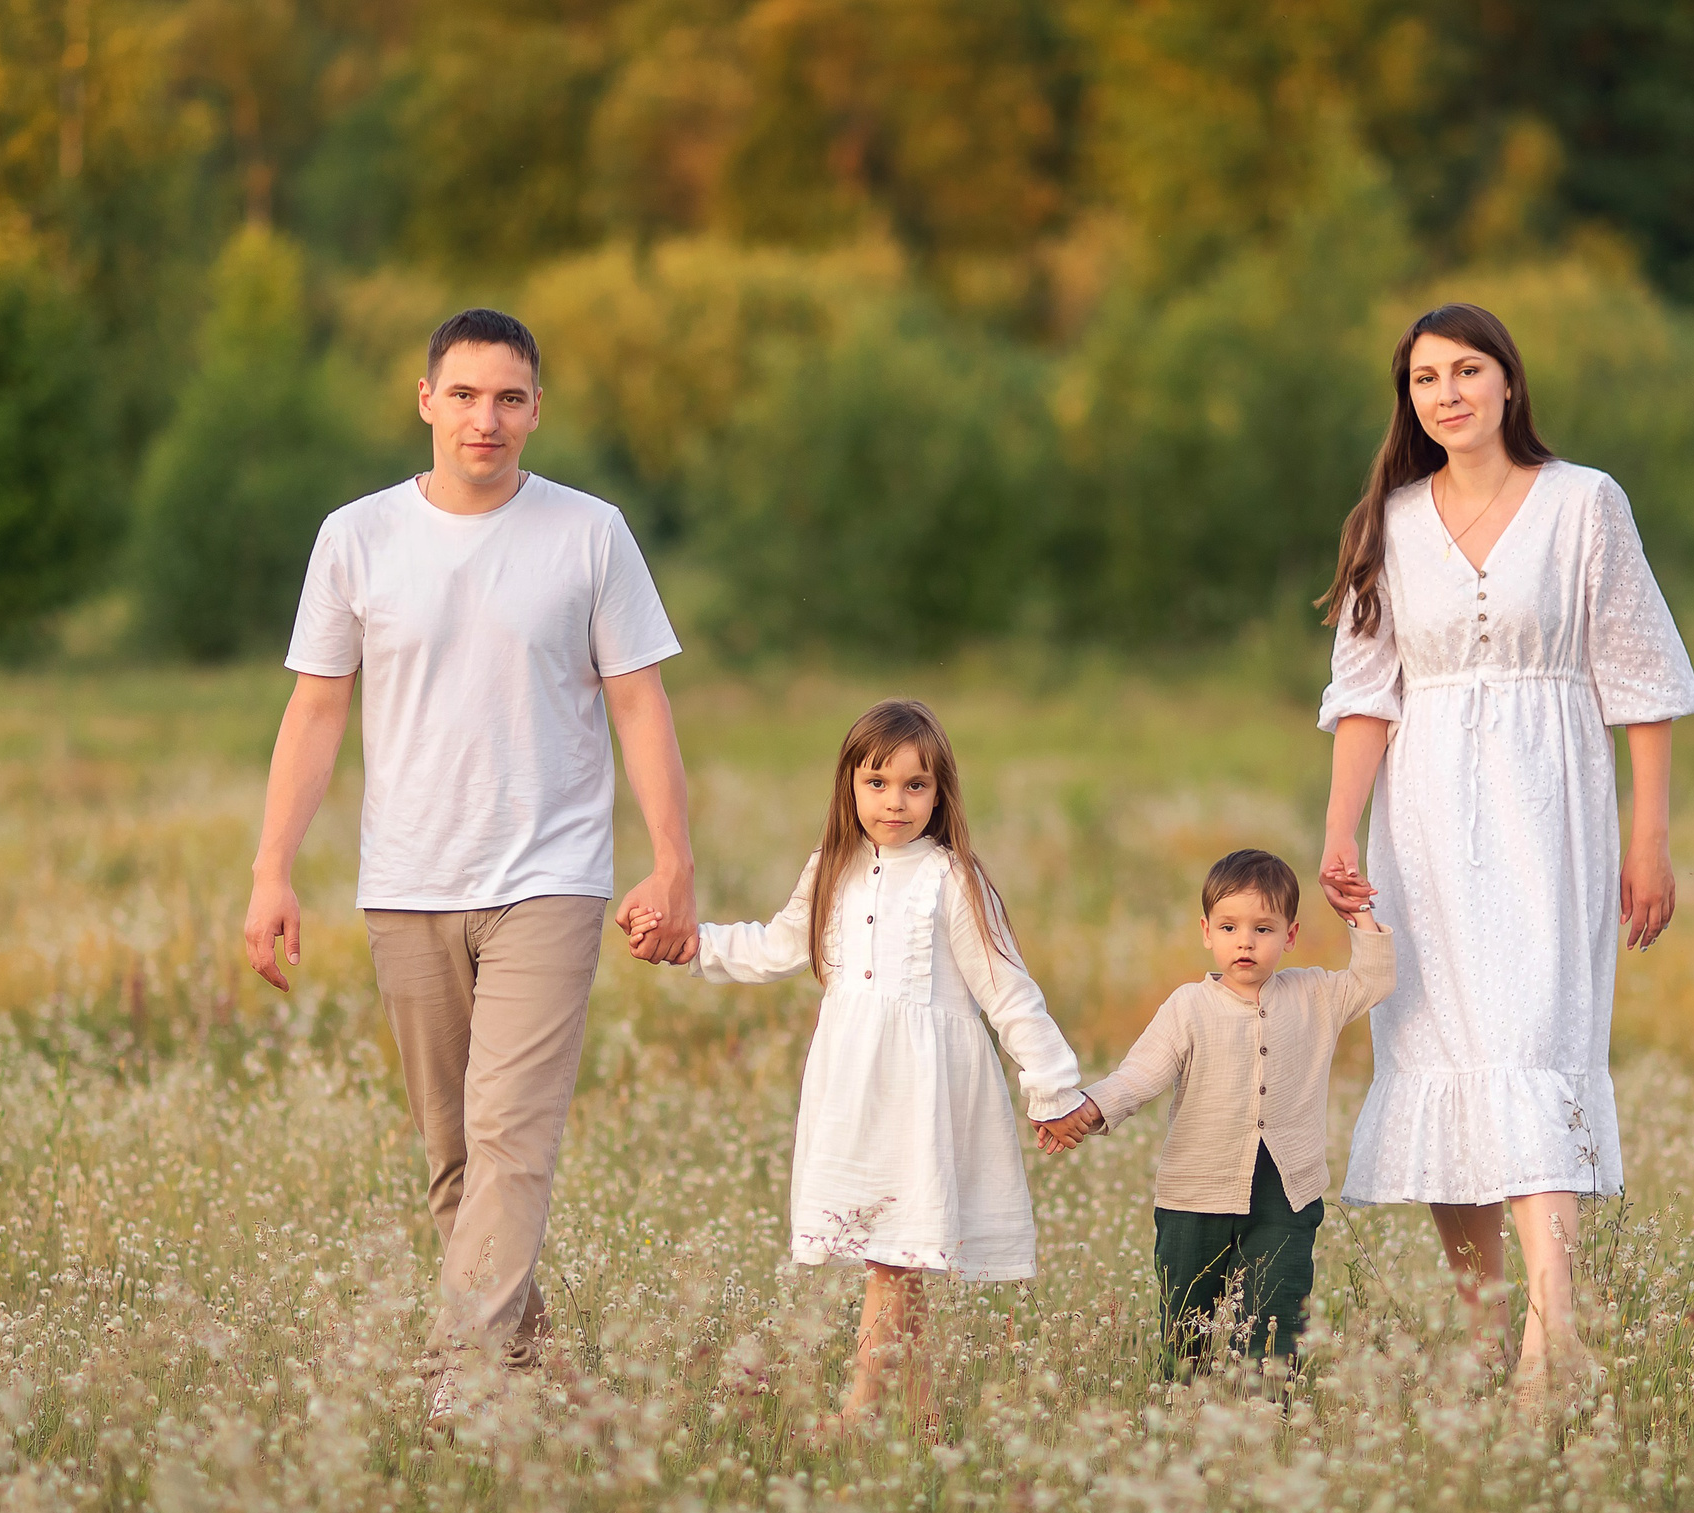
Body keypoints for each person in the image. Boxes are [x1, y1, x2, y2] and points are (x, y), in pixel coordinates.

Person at [241, 308, 697, 1427]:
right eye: (465, 395)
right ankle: (545, 1385)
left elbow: (639, 699)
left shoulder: (590, 533)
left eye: (508, 398)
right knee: (455, 1159)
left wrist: (672, 859)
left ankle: (457, 1386)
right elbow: (314, 708)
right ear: (425, 399)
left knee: (507, 1136)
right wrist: (271, 872)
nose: (485, 418)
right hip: (406, 883)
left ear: (537, 409)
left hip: (551, 875)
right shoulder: (356, 536)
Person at [1314, 301, 1694, 1415]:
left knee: (1536, 1041)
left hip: (1550, 807)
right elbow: (1363, 696)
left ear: (1507, 382)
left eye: (1467, 369)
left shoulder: (1585, 503)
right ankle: (1491, 1335)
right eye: (1425, 378)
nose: (1446, 393)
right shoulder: (1384, 523)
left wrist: (1650, 837)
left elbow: (1639, 677)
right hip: (1423, 818)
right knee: (1439, 1053)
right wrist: (1340, 830)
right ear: (1411, 401)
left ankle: (1553, 1337)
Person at [641, 698, 1083, 1428]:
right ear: (850, 784)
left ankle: (857, 1410)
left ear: (941, 793)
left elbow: (1007, 991)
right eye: (878, 782)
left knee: (893, 1256)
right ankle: (922, 1413)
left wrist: (1053, 1089)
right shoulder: (832, 869)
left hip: (923, 1093)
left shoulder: (952, 878)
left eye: (917, 785)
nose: (896, 801)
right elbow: (778, 945)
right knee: (894, 1253)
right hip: (854, 1087)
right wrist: (693, 944)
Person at [1038, 850, 1392, 1372]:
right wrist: (1088, 1111)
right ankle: (1184, 1415)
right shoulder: (1189, 1005)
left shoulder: (1315, 993)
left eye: (1263, 929)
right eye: (1229, 927)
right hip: (1194, 1194)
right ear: (1207, 931)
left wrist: (1359, 913)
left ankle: (1266, 1415)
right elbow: (1140, 1076)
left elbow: (1374, 980)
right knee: (1187, 1327)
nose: (1245, 941)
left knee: (1275, 1318)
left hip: (1286, 1193)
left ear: (1290, 936)